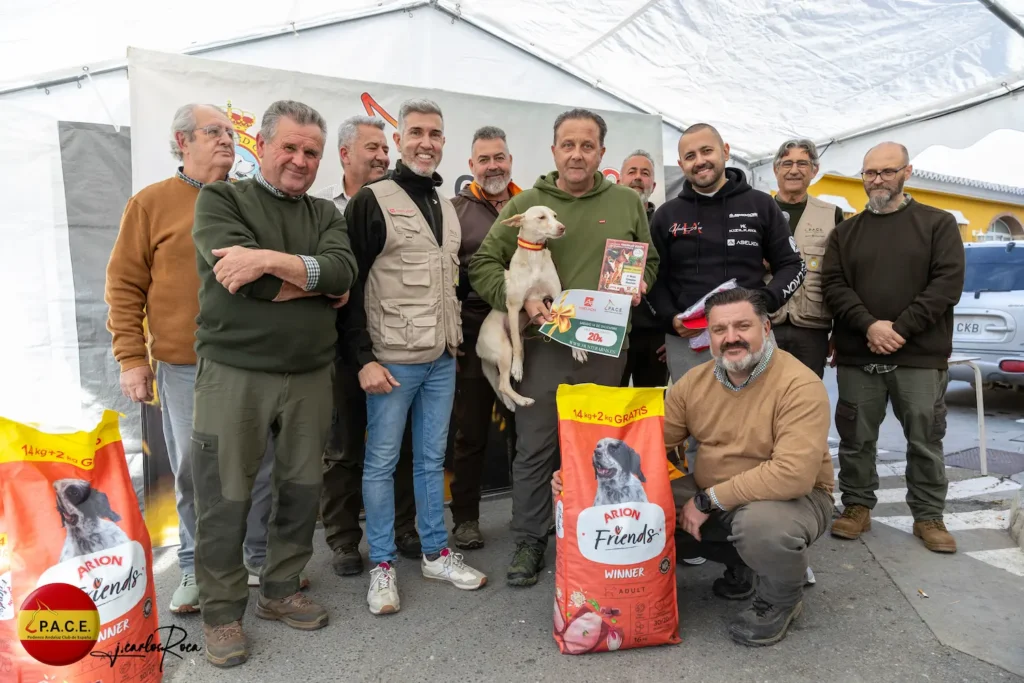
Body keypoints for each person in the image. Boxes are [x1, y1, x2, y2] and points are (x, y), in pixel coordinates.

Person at [551, 286, 834, 646]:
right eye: (719, 330)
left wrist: (707, 500)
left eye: (743, 327)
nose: (732, 338)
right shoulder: (694, 384)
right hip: (715, 489)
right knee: (633, 504)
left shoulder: (799, 385)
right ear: (709, 336)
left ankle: (781, 600)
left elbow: (793, 475)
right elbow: (647, 444)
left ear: (766, 328)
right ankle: (742, 565)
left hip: (794, 498)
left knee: (762, 527)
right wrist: (577, 479)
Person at [190, 100, 357, 667]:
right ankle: (221, 613)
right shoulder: (220, 199)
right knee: (225, 497)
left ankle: (281, 589)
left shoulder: (326, 215)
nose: (300, 159)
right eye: (289, 146)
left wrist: (265, 259)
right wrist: (308, 279)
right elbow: (245, 286)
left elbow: (343, 271)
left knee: (300, 489)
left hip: (310, 373)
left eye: (311, 151)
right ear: (261, 145)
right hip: (235, 374)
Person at [104, 103, 282, 616]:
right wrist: (131, 358)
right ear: (183, 141)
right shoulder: (152, 203)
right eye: (214, 132)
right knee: (193, 471)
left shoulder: (253, 201)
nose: (227, 140)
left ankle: (255, 558)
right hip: (184, 365)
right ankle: (193, 565)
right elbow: (124, 285)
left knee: (261, 464)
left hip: (253, 362)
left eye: (230, 132)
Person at [469, 108, 659, 587]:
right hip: (542, 346)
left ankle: (589, 531)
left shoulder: (625, 202)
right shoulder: (528, 203)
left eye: (587, 145)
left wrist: (639, 285)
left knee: (596, 447)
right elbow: (483, 265)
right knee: (536, 445)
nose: (577, 153)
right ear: (554, 150)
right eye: (568, 144)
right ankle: (530, 540)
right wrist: (525, 301)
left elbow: (648, 260)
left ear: (601, 152)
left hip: (604, 345)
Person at [341, 98, 488, 616]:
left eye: (436, 133)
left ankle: (435, 552)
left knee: (430, 462)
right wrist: (362, 357)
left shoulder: (446, 205)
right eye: (417, 132)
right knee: (380, 464)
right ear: (399, 140)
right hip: (391, 360)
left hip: (442, 357)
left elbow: (453, 281)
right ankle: (381, 564)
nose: (427, 141)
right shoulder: (372, 200)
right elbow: (349, 285)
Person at [822, 142, 965, 553]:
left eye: (886, 171)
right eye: (870, 173)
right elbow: (833, 285)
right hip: (858, 354)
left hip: (919, 356)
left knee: (925, 440)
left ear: (907, 172)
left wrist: (899, 329)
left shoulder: (938, 224)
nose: (877, 180)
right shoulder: (845, 233)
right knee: (855, 439)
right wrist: (869, 325)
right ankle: (857, 507)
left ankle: (928, 515)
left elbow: (946, 285)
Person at [315, 115, 420, 576]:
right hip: (338, 350)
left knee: (398, 445)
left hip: (396, 345)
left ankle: (403, 528)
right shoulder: (323, 211)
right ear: (344, 154)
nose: (381, 156)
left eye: (384, 148)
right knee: (343, 448)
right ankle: (342, 540)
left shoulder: (403, 204)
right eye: (371, 148)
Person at [449, 125, 523, 550]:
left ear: (510, 160)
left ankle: (529, 517)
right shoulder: (455, 211)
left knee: (527, 431)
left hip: (528, 337)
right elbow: (446, 276)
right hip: (475, 335)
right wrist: (454, 328)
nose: (493, 165)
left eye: (499, 157)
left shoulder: (532, 204)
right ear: (471, 166)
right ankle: (465, 520)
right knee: (471, 432)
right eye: (484, 159)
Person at [768, 138, 845, 378]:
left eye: (802, 163)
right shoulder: (756, 211)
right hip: (765, 324)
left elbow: (841, 277)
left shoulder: (832, 214)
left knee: (806, 398)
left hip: (812, 330)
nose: (793, 170)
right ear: (775, 169)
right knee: (762, 397)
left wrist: (840, 333)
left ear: (814, 170)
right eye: (786, 163)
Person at [618, 149, 668, 390]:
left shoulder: (665, 223)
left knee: (649, 413)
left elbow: (675, 277)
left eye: (645, 173)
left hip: (655, 337)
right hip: (613, 330)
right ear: (618, 180)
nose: (638, 177)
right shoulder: (605, 220)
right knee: (608, 407)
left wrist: (672, 335)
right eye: (632, 172)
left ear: (653, 184)